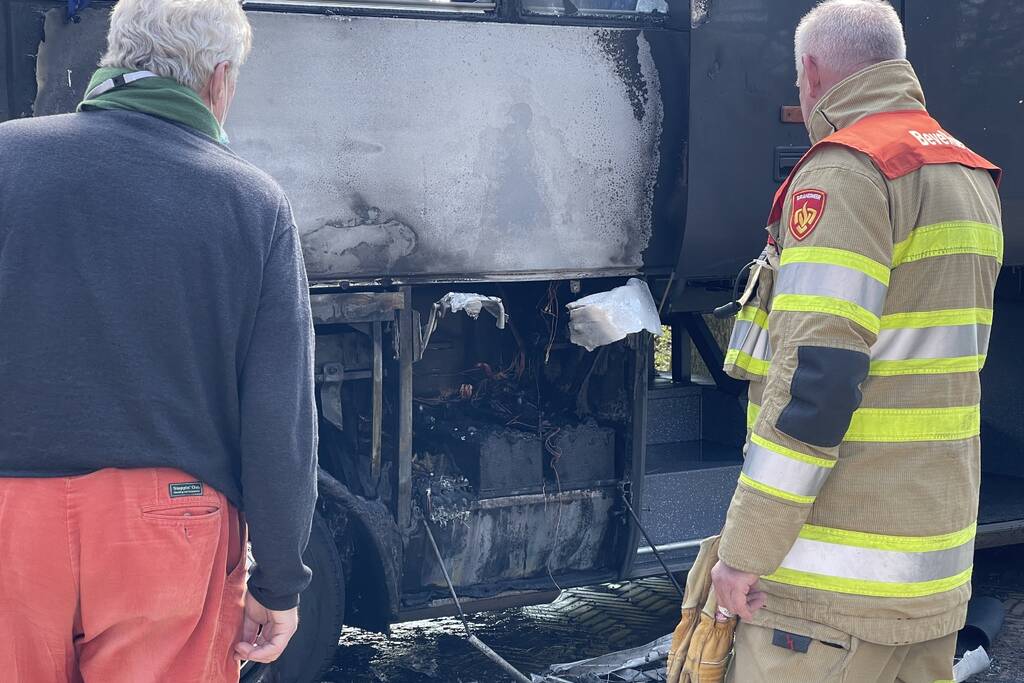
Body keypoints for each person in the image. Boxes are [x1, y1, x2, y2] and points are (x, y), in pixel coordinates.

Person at [0, 0, 318, 680]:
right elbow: (278, 416)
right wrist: (280, 581)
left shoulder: (5, 158)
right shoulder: (253, 204)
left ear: (115, 55)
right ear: (219, 78)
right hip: (170, 523)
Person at [712, 1, 1002, 681]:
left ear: (812, 73)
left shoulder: (846, 174)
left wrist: (744, 550)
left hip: (831, 602)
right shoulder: (968, 173)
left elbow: (816, 384)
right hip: (929, 580)